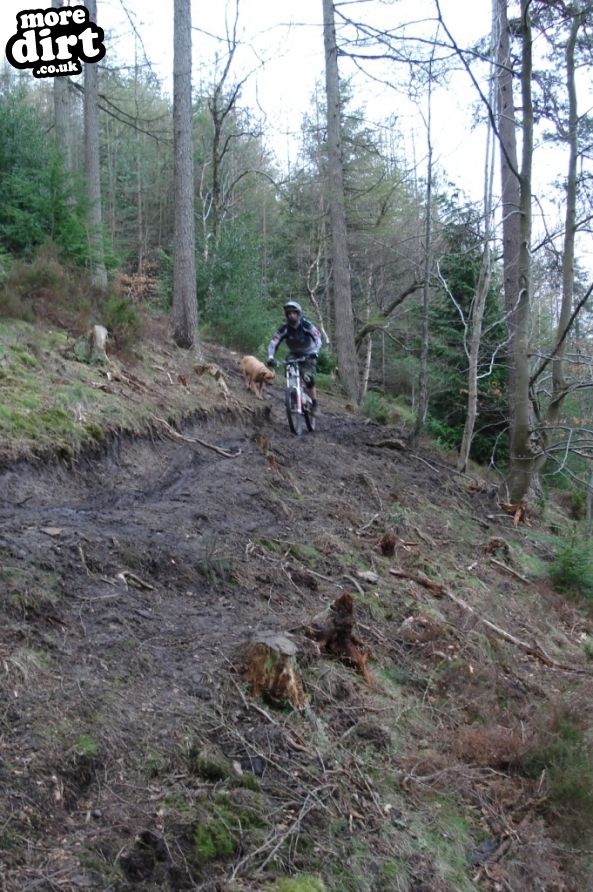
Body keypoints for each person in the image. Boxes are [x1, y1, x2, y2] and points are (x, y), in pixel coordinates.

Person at [267, 301, 323, 415]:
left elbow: (318, 339)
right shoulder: (284, 329)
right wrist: (271, 357)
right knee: (289, 372)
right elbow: (274, 343)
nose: (291, 315)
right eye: (289, 313)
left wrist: (315, 352)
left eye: (294, 313)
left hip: (309, 353)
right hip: (294, 353)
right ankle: (292, 394)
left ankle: (314, 404)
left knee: (308, 378)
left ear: (298, 314)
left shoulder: (306, 325)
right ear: (286, 315)